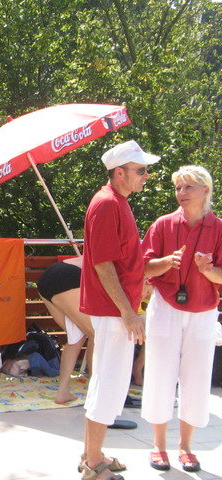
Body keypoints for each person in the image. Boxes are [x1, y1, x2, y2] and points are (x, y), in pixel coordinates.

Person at [79, 140, 160, 480]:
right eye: (141, 170)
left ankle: (91, 453)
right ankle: (94, 463)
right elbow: (103, 264)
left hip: (114, 309)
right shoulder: (108, 204)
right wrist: (128, 311)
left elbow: (122, 261)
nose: (146, 175)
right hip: (114, 311)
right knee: (110, 384)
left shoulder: (115, 202)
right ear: (119, 172)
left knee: (106, 381)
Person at [141, 165, 222, 473]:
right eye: (178, 187)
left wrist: (207, 270)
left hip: (203, 312)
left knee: (197, 378)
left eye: (188, 187)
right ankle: (159, 446)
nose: (182, 193)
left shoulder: (218, 228)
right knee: (159, 373)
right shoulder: (163, 224)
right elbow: (143, 266)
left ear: (206, 190)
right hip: (165, 307)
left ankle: (186, 447)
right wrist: (166, 262)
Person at [37, 256, 94, 404]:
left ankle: (62, 392)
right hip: (70, 276)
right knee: (97, 334)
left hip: (50, 275)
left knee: (76, 337)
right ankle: (96, 390)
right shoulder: (130, 260)